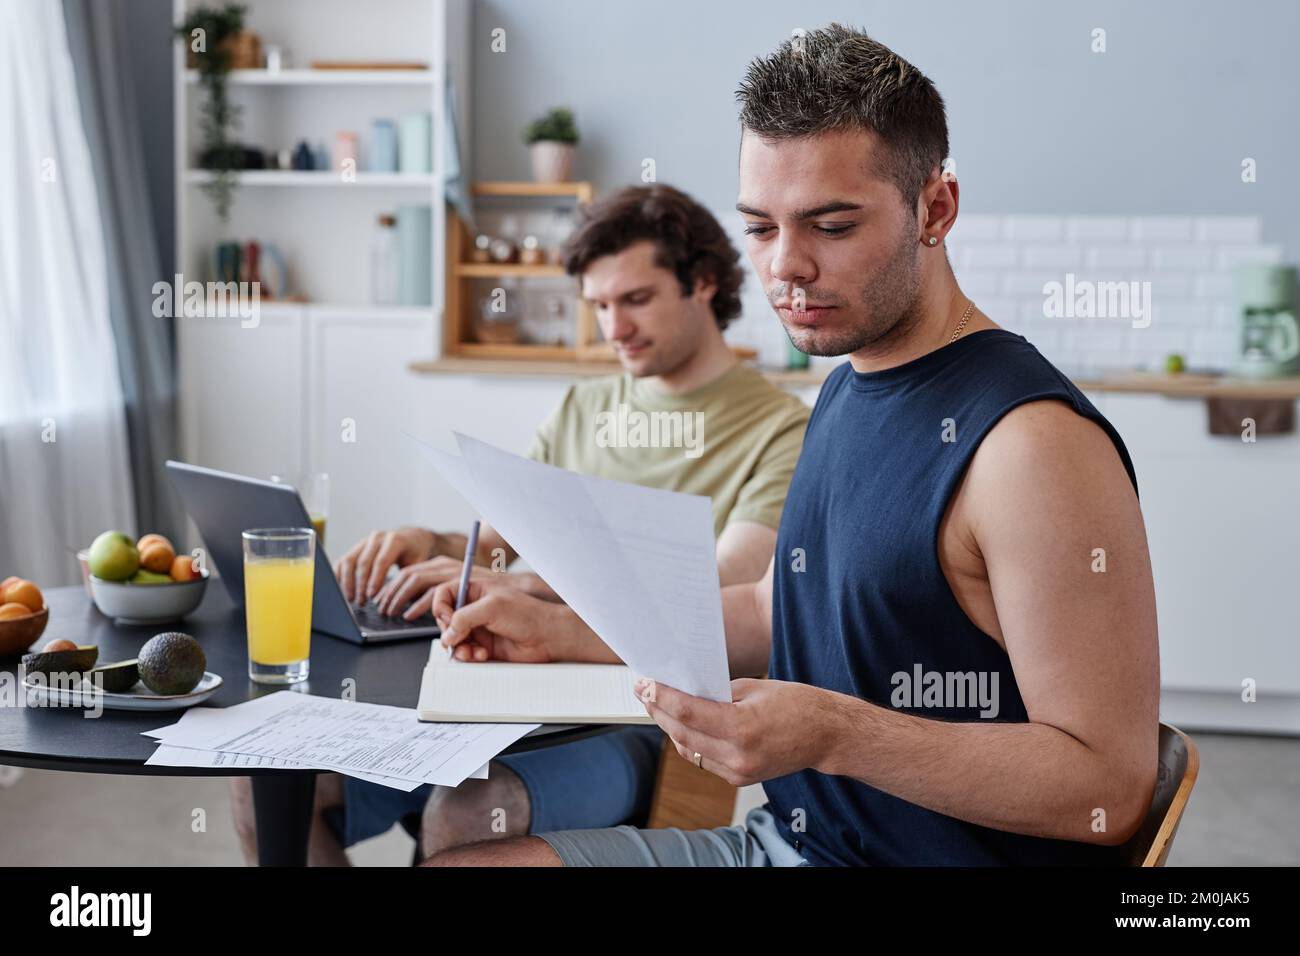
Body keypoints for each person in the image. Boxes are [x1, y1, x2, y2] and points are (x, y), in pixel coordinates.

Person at [422, 24, 1159, 867]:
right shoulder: (848, 382)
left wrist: (835, 734)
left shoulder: (1030, 448)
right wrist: (561, 630)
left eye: (832, 226)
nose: (786, 268)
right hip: (783, 843)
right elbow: (779, 608)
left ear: (937, 208)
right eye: (761, 228)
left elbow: (1108, 786)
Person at [228, 183, 811, 865]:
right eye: (597, 306)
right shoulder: (582, 407)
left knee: (472, 809)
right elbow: (507, 539)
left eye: (635, 300)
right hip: (503, 695)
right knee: (264, 780)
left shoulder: (781, 430)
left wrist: (523, 592)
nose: (612, 327)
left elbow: (719, 596)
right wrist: (436, 543)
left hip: (642, 724)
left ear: (704, 282)